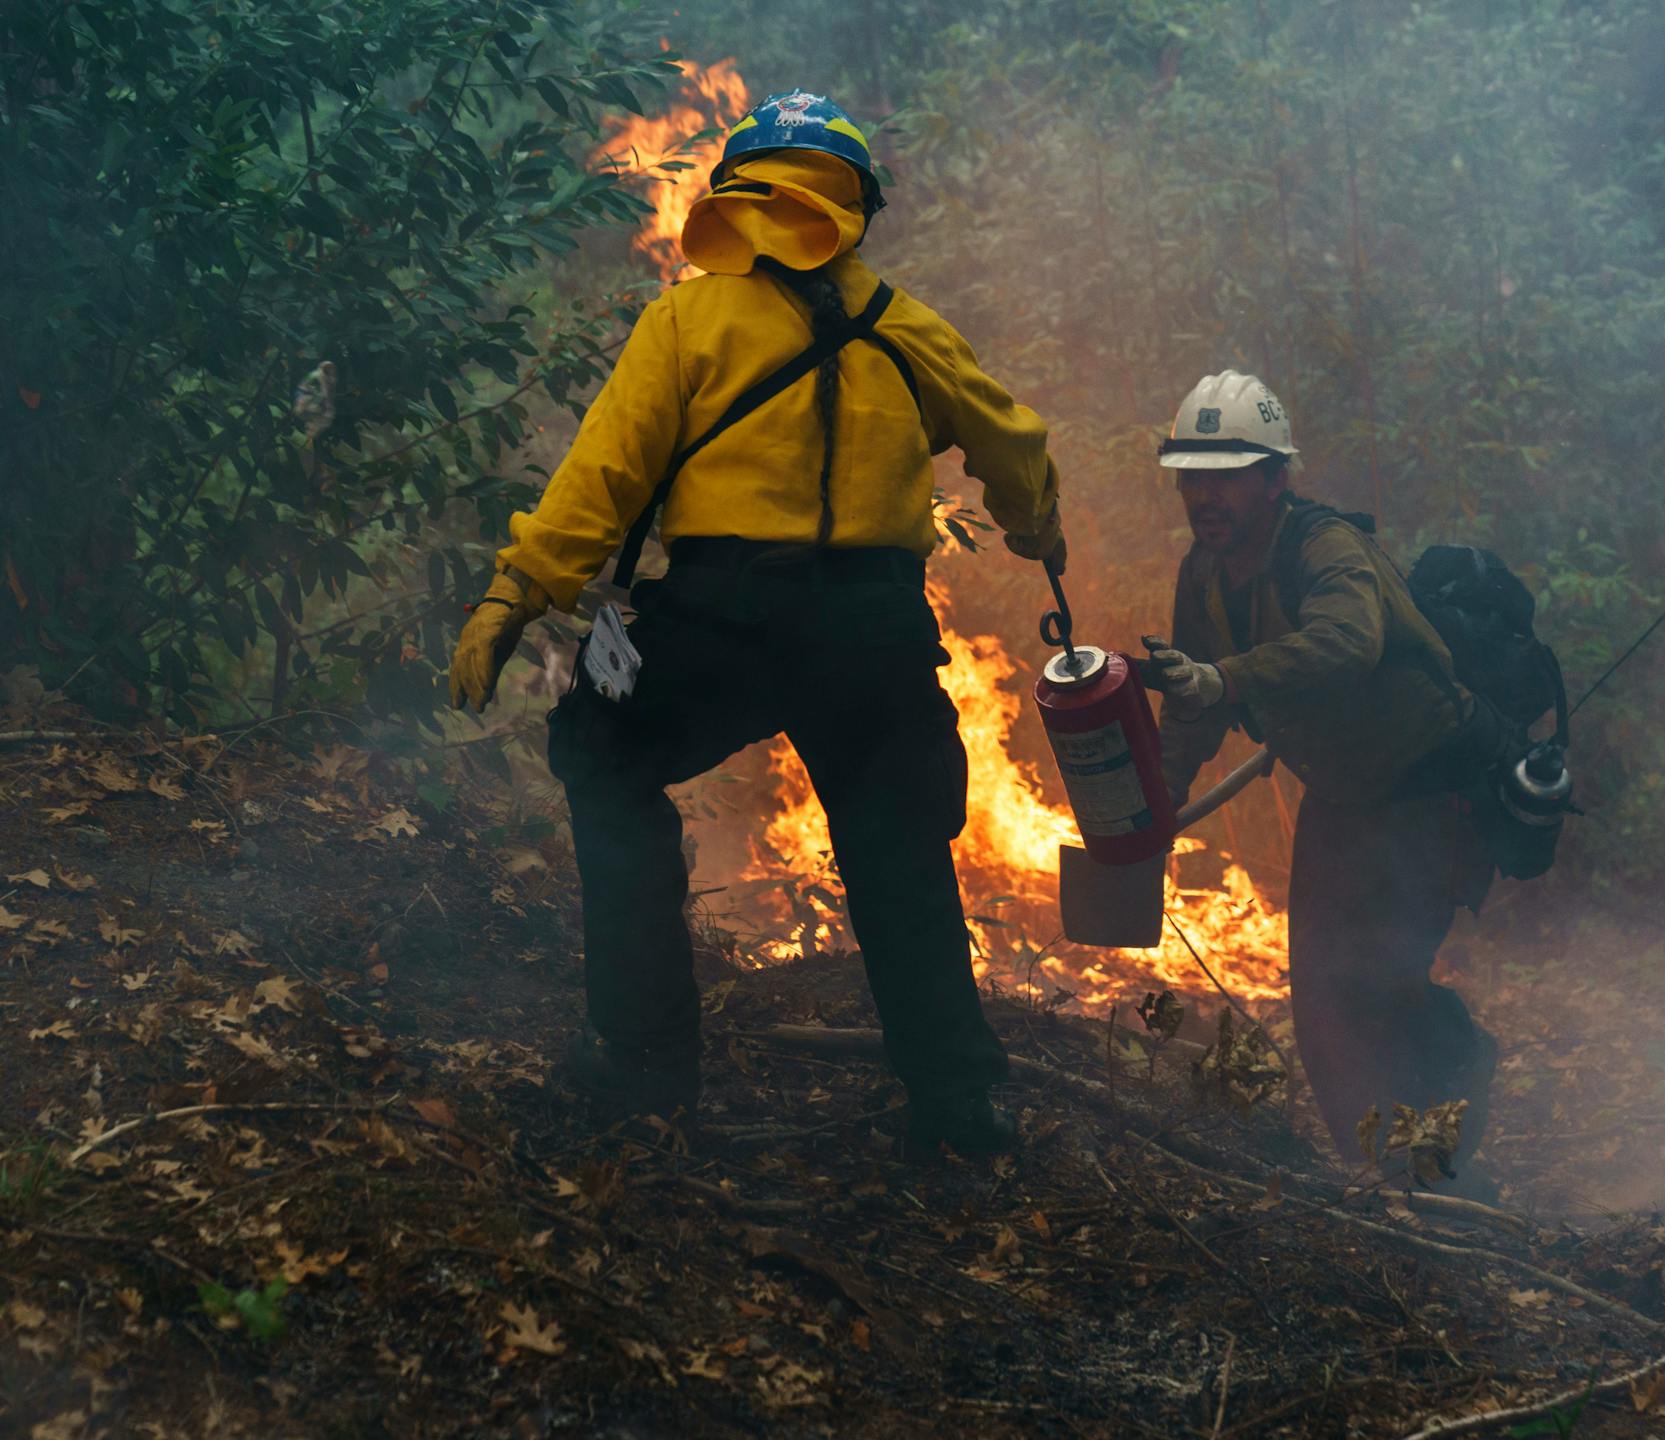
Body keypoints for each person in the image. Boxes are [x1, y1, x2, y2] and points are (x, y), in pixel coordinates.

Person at [448, 90, 1065, 1155]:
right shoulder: (909, 327)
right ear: (855, 205)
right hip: (874, 633)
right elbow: (1016, 446)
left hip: (723, 614)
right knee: (899, 852)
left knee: (603, 754)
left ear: (733, 197)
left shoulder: (688, 319)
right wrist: (1031, 527)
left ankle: (641, 1070)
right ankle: (957, 1111)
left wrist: (518, 589)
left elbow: (604, 476)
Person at [1143, 370, 1514, 1181]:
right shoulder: (1201, 577)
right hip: (1344, 794)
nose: (1206, 497)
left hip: (1430, 787)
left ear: (1276, 480)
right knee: (1320, 994)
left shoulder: (1325, 547)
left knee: (1382, 981)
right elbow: (1193, 707)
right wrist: (1152, 809)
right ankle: (1382, 1169)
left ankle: (1448, 1123)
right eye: (1192, 478)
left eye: (1228, 477)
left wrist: (1229, 678)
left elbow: (1349, 642)